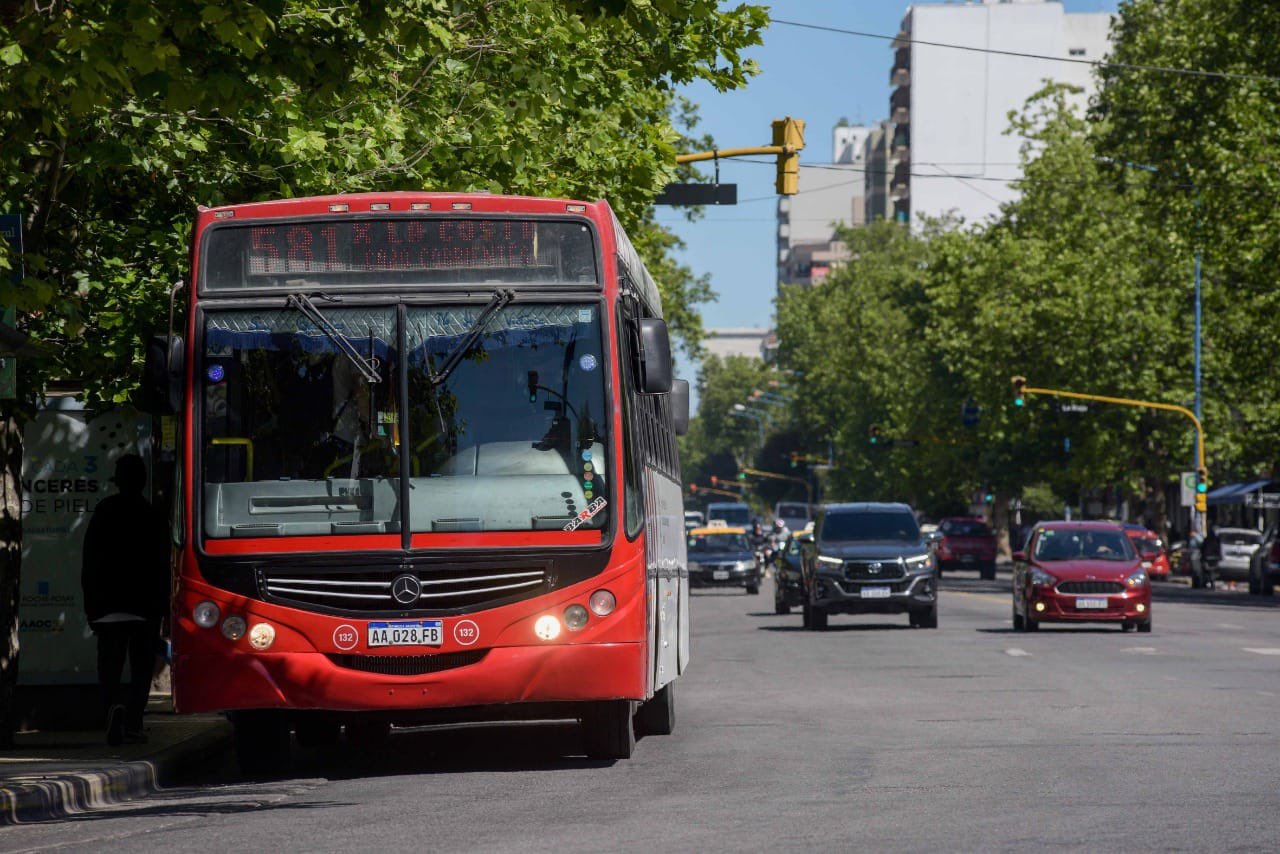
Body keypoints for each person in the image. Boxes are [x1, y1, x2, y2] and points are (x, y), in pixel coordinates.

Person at [81, 454, 170, 746]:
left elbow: (90, 562)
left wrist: (91, 606)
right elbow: (163, 565)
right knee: (141, 669)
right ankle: (133, 722)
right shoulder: (152, 515)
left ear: (118, 481)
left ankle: (112, 707)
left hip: (107, 606)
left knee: (110, 665)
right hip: (144, 607)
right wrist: (164, 608)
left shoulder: (104, 511)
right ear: (142, 482)